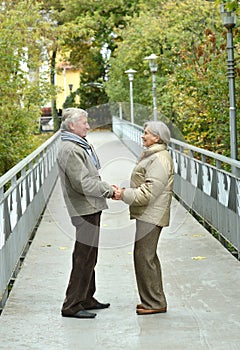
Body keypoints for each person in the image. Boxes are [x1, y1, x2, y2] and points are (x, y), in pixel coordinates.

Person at [57, 107, 116, 319]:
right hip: (85, 209)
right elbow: (82, 183)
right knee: (83, 257)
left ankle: (87, 297)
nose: (89, 126)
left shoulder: (77, 146)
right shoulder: (71, 149)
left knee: (90, 256)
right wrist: (109, 190)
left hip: (90, 207)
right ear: (72, 125)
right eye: (85, 123)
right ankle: (71, 304)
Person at [114, 121, 174, 315]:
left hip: (151, 214)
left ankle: (155, 303)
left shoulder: (159, 159)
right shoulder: (154, 155)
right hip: (149, 213)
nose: (142, 136)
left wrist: (123, 194)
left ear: (157, 138)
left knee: (144, 257)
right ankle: (152, 300)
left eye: (146, 133)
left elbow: (148, 193)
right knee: (146, 256)